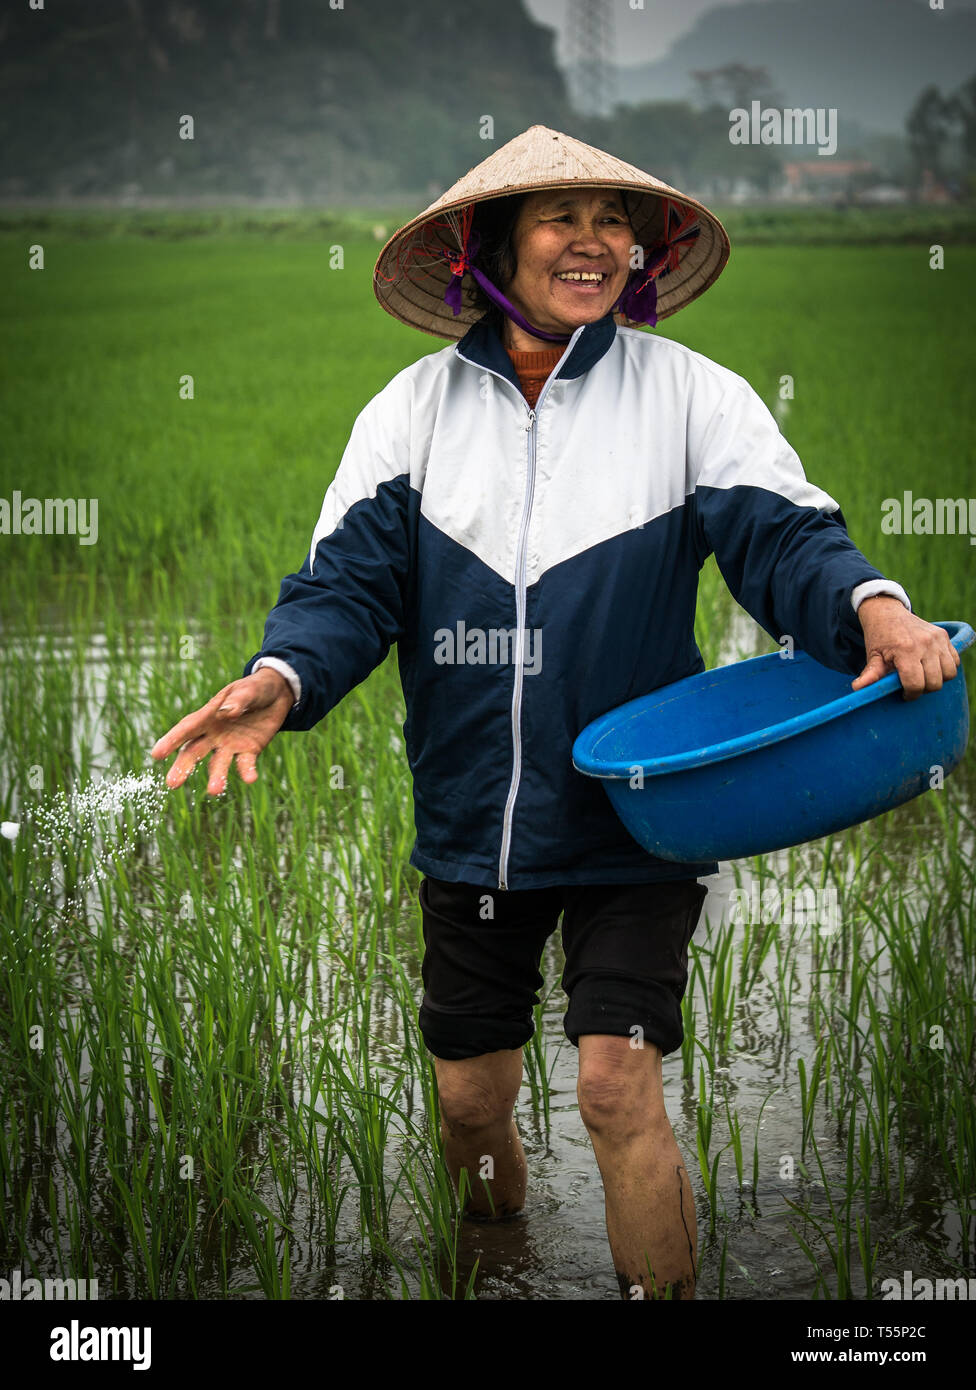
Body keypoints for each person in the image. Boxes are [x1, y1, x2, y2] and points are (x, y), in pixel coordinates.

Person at [151, 125, 959, 1300]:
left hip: (638, 815)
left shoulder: (689, 397)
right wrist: (281, 678)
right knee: (469, 1104)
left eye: (613, 220)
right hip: (472, 818)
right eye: (558, 216)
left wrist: (871, 604)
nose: (592, 241)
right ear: (486, 245)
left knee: (612, 1082)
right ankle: (505, 1264)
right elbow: (345, 587)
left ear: (642, 249)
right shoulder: (412, 414)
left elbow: (787, 538)